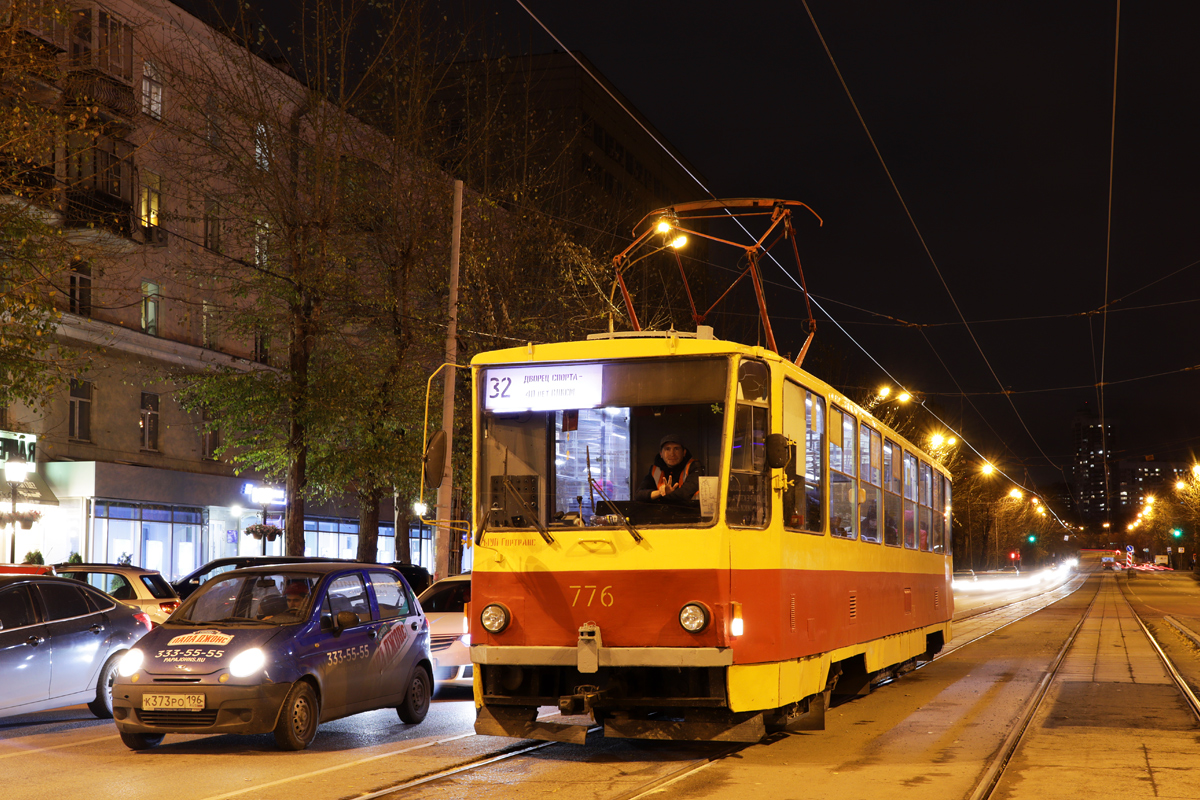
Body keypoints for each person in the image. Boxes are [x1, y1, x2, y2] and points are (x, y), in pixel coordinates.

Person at [635, 434, 705, 504]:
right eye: (667, 449)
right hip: (662, 513)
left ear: (684, 452)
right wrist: (660, 492)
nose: (672, 454)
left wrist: (661, 496)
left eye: (676, 449)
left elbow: (684, 494)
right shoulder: (655, 469)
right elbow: (639, 495)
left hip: (690, 512)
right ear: (661, 454)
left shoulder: (694, 466)